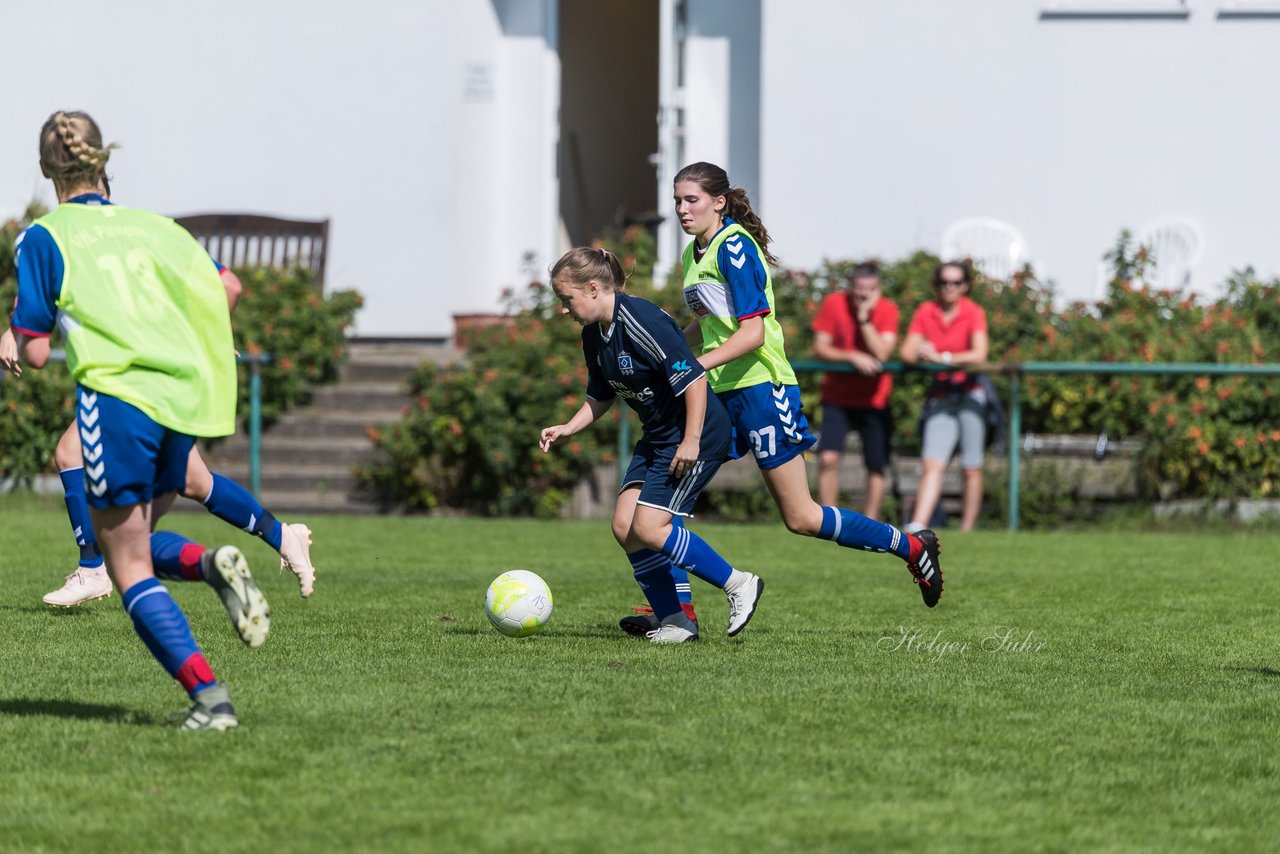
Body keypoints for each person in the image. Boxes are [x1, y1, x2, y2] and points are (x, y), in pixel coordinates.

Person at [2, 110, 270, 729]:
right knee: (134, 538)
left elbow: (37, 352)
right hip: (183, 397)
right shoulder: (157, 227)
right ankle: (207, 564)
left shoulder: (44, 237)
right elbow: (227, 289)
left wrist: (21, 320)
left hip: (119, 400)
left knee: (123, 566)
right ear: (103, 161)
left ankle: (211, 702)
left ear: (47, 170)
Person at [672, 161, 943, 608]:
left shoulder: (734, 247)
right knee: (667, 502)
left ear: (719, 203)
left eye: (691, 200)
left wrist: (693, 367)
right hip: (718, 390)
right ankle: (673, 610)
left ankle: (913, 547)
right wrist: (668, 354)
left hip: (761, 388)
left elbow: (752, 334)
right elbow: (705, 326)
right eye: (678, 200)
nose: (682, 209)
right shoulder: (692, 254)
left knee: (801, 516)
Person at [539, 247, 764, 644]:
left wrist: (691, 441)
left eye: (566, 299)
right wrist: (569, 427)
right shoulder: (594, 335)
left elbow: (693, 378)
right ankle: (676, 621)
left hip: (694, 433)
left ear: (592, 288)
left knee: (649, 525)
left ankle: (738, 583)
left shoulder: (642, 319)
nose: (564, 310)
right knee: (625, 527)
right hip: (659, 436)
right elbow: (601, 394)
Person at [1, 366, 319, 608]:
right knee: (194, 482)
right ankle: (281, 536)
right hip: (146, 368)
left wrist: (21, 327)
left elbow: (225, 285)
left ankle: (203, 569)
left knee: (126, 520)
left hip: (149, 369)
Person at [899, 261, 990, 532]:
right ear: (937, 285)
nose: (950, 288)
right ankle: (918, 525)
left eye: (956, 282)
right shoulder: (926, 311)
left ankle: (967, 529)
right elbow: (906, 353)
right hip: (941, 395)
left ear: (965, 286)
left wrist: (943, 357)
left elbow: (979, 354)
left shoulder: (974, 312)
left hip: (971, 394)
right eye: (944, 282)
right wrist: (921, 350)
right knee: (932, 462)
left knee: (971, 466)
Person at [811, 261, 899, 519]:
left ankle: (871, 525)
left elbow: (882, 352)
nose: (864, 294)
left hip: (875, 399)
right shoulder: (834, 303)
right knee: (827, 458)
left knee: (876, 464)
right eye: (859, 288)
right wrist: (852, 356)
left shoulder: (887, 309)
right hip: (837, 397)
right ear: (851, 286)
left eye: (870, 289)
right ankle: (830, 520)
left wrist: (863, 318)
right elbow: (820, 347)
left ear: (878, 288)